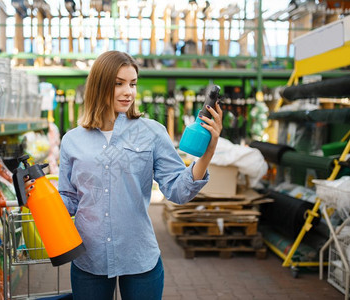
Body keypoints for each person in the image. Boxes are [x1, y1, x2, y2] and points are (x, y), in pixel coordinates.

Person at [26, 50, 222, 300]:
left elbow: (177, 190)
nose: (128, 91)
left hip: (139, 257)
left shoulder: (151, 132)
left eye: (133, 83)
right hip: (90, 258)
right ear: (100, 85)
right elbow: (70, 200)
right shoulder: (72, 140)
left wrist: (208, 152)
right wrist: (37, 194)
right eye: (119, 83)